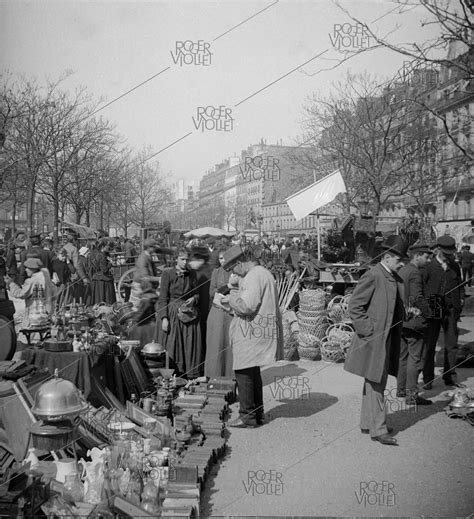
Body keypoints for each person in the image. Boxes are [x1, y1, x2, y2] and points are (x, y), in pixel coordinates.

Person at [344, 235, 407, 446]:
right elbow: (355, 306)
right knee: (377, 383)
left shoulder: (391, 276)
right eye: (399, 260)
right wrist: (369, 331)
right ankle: (378, 430)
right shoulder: (373, 275)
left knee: (373, 381)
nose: (402, 263)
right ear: (388, 257)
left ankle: (368, 423)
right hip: (374, 340)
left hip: (386, 339)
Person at [220, 244, 283, 429]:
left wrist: (230, 298)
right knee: (253, 372)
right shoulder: (262, 273)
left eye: (233, 269)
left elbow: (246, 306)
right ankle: (257, 414)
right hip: (260, 328)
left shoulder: (253, 276)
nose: (235, 273)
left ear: (240, 263)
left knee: (243, 371)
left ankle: (247, 416)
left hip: (250, 329)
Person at [422, 235, 464, 389]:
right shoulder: (428, 267)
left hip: (451, 311)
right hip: (433, 311)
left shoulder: (454, 265)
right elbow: (422, 288)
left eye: (451, 253)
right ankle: (427, 379)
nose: (449, 256)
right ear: (438, 250)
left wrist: (460, 302)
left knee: (452, 345)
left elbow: (460, 286)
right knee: (430, 345)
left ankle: (450, 377)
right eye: (446, 254)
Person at [157, 249, 202, 379]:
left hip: (188, 312)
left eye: (187, 259)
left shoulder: (192, 274)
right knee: (173, 343)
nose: (185, 262)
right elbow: (163, 298)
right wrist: (164, 318)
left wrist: (194, 299)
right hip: (172, 312)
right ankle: (173, 374)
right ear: (176, 259)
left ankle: (189, 374)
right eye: (182, 259)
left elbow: (197, 293)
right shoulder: (168, 274)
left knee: (189, 342)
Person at [397, 243, 433, 406]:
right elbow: (418, 297)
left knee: (403, 356)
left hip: (402, 320)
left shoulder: (403, 270)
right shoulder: (415, 273)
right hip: (414, 321)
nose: (428, 259)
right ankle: (412, 395)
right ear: (417, 255)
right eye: (426, 256)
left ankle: (401, 389)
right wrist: (429, 314)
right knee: (415, 359)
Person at [204, 248, 235, 378]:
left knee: (229, 345)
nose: (222, 261)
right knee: (215, 345)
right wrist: (228, 286)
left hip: (231, 313)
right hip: (217, 312)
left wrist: (221, 291)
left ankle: (230, 377)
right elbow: (212, 292)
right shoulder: (216, 272)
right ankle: (214, 376)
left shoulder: (236, 272)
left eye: (225, 258)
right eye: (220, 258)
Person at [4, 257, 57, 329]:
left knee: (33, 336)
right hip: (46, 315)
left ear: (33, 269)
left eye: (27, 268)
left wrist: (11, 283)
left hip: (34, 317)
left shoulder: (31, 281)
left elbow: (21, 294)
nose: (25, 270)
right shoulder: (46, 278)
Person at [89, 239, 116, 305]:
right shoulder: (102, 256)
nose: (109, 248)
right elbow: (104, 270)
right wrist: (110, 263)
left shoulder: (98, 254)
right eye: (107, 246)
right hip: (103, 281)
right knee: (106, 300)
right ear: (103, 247)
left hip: (98, 279)